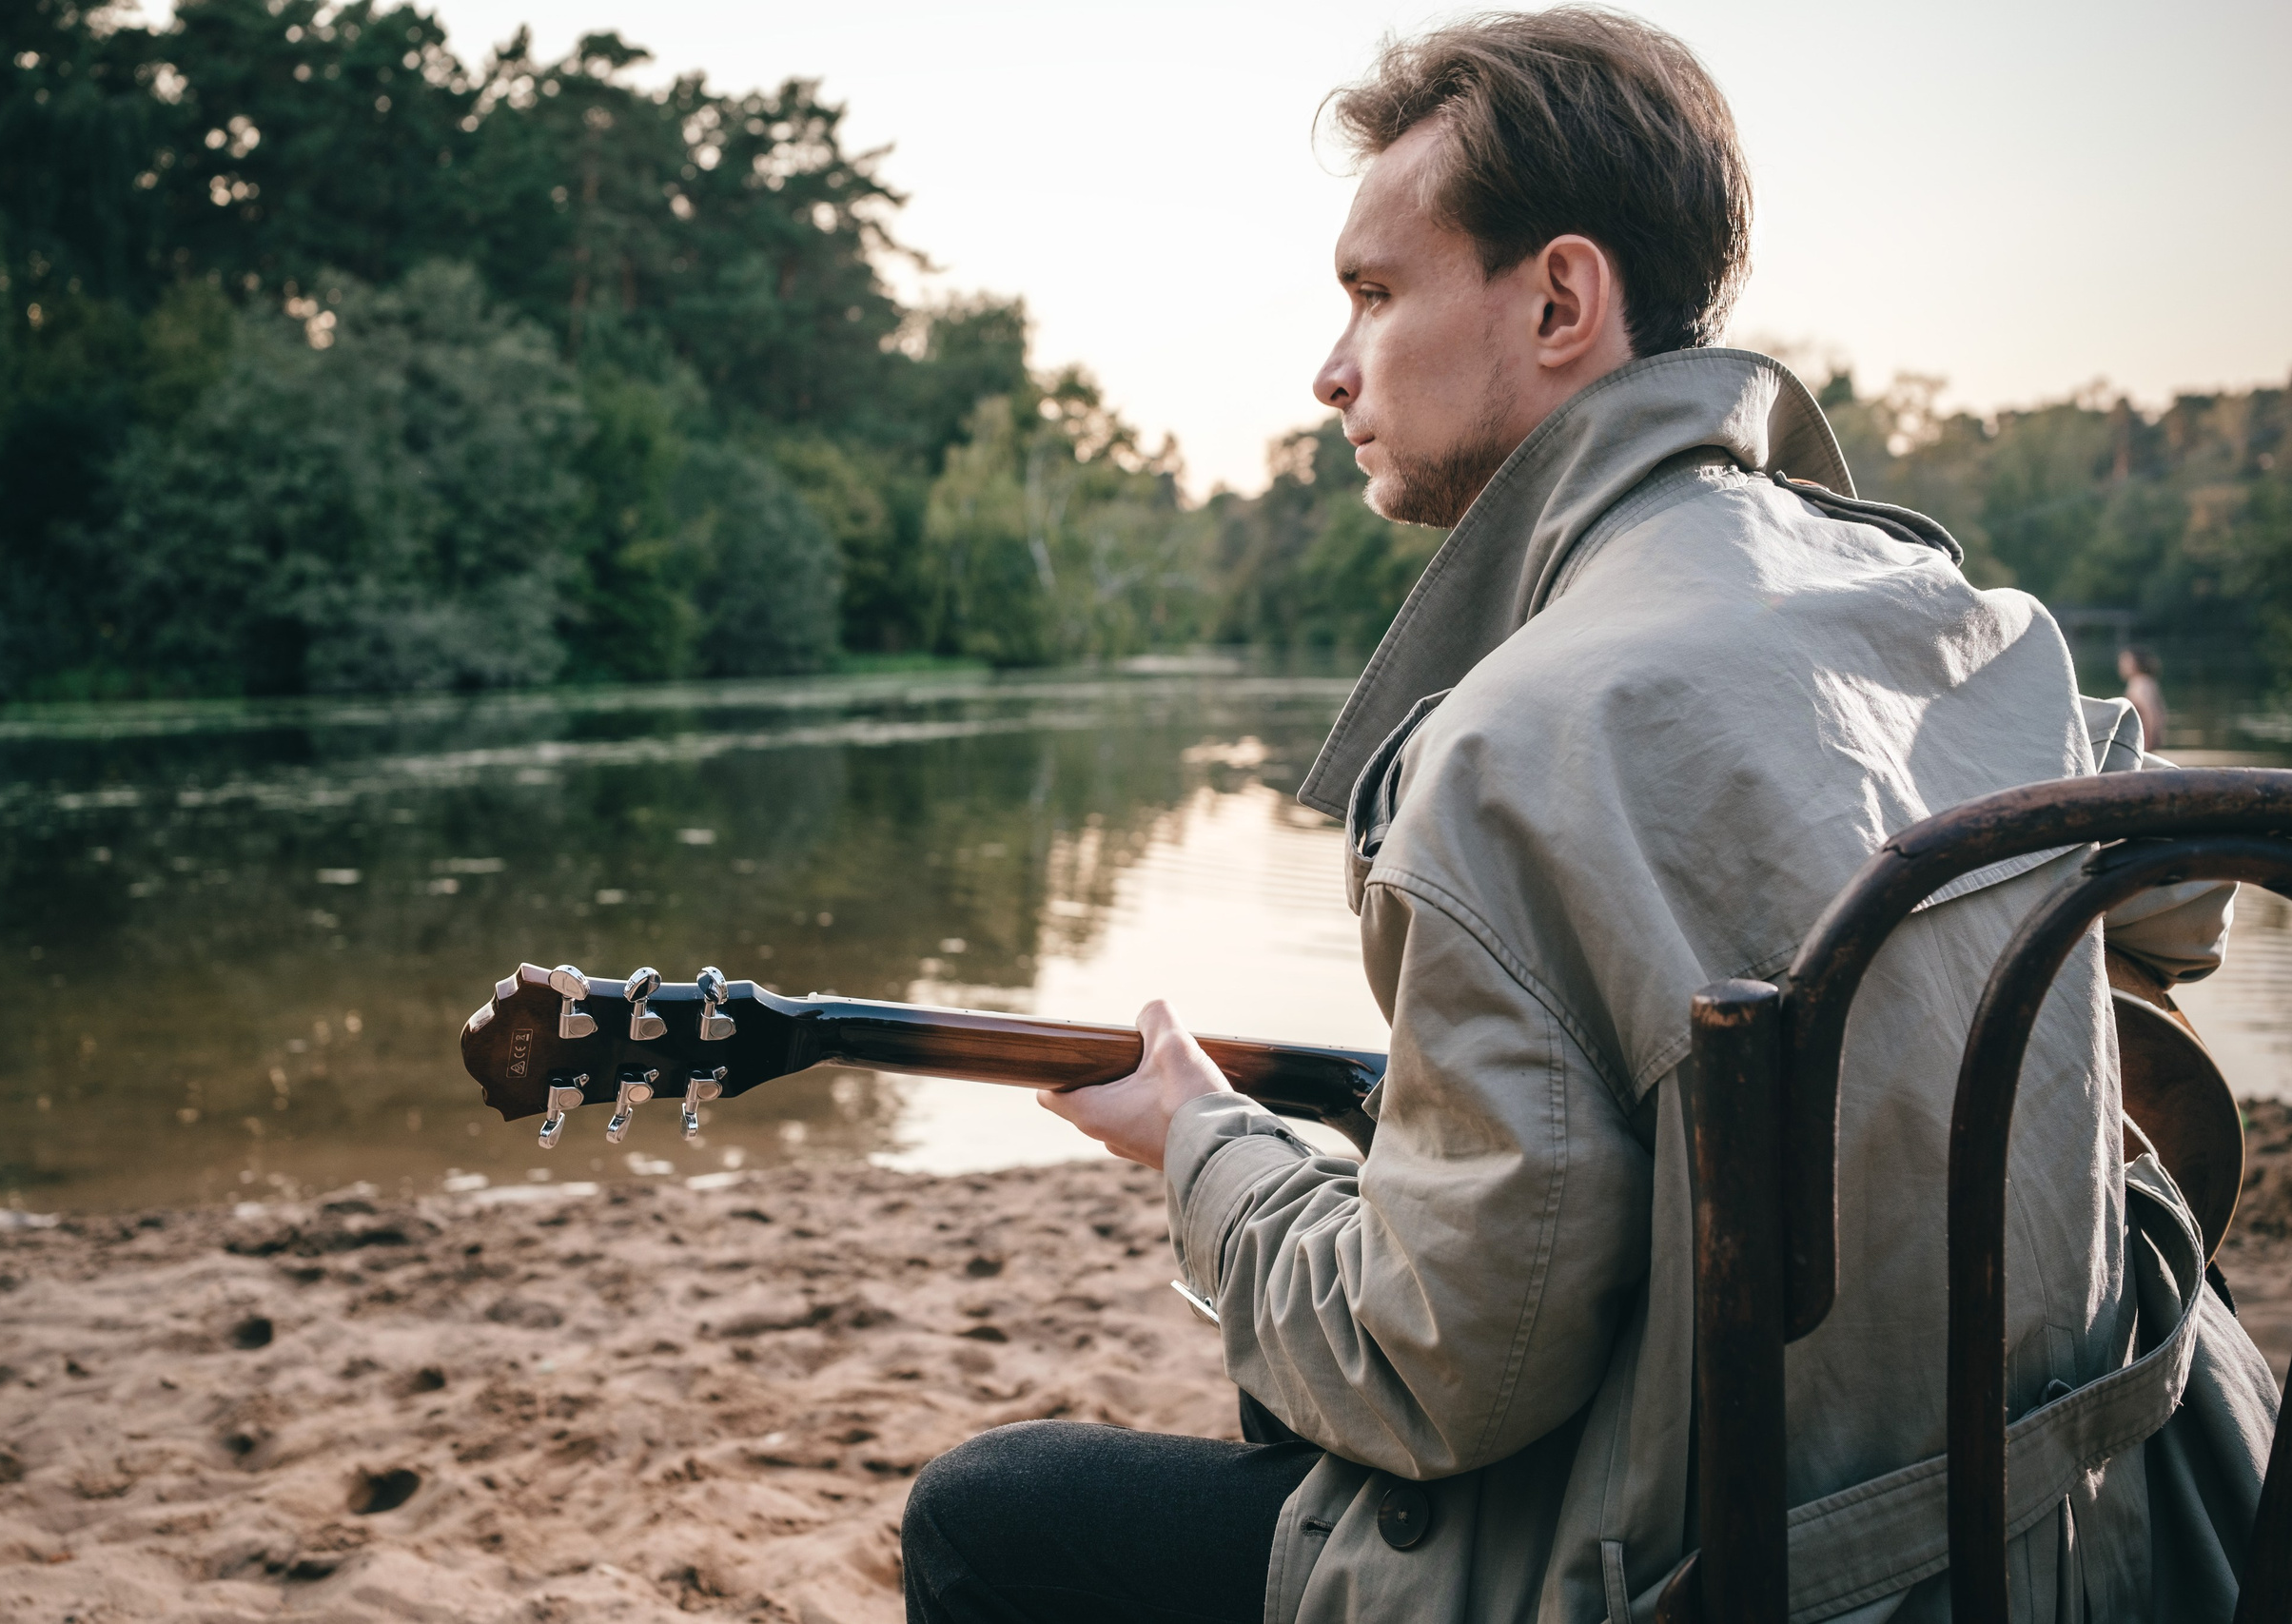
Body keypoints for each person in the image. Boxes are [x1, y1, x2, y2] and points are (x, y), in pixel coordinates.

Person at [900, 10, 2272, 1622]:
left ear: (1559, 299)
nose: (1331, 367)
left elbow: (1435, 1376)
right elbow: (2185, 886)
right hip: (2122, 1524)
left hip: (1774, 1578)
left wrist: (1208, 1150)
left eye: (1373, 291)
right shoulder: (1977, 622)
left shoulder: (1500, 747)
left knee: (991, 1517)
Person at [2121, 644, 2167, 751]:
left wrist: (2151, 741)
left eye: (2127, 661)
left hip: (2142, 742)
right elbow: (2162, 713)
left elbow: (2151, 714)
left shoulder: (2139, 684)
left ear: (2137, 662)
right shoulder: (2148, 681)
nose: (2122, 665)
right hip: (2142, 740)